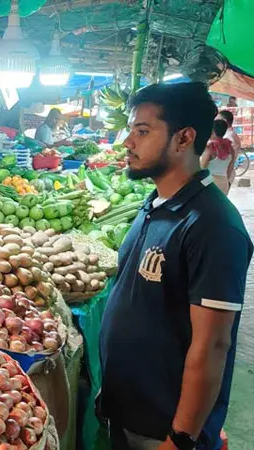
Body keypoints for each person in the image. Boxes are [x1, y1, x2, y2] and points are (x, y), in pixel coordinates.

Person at [99, 82, 252, 450]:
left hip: (163, 430)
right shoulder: (156, 206)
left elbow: (213, 345)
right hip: (128, 411)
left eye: (142, 131)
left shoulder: (214, 225)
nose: (127, 143)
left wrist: (182, 438)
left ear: (184, 138)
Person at [200, 120, 234, 195]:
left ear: (212, 132)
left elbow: (202, 170)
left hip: (209, 182)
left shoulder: (210, 148)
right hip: (224, 182)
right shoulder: (230, 147)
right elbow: (230, 167)